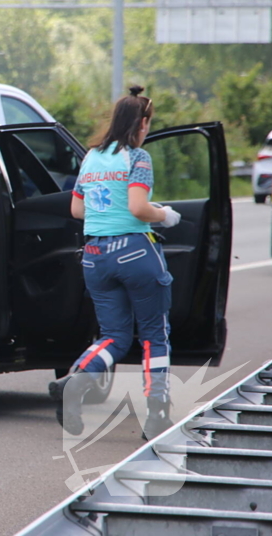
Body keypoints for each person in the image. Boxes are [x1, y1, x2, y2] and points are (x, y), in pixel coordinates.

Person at [48, 85, 181, 440]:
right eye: (148, 122)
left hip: (95, 257)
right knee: (154, 335)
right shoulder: (138, 159)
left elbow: (77, 209)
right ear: (142, 122)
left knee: (114, 336)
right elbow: (138, 208)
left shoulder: (91, 157)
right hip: (135, 251)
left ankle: (73, 383)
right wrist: (165, 215)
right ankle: (156, 415)